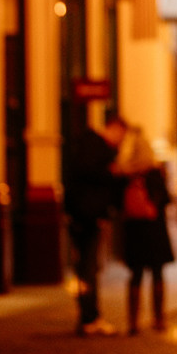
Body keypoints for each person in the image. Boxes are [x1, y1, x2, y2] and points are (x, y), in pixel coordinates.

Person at [64, 112, 127, 336]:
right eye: (121, 135)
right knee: (87, 268)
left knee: (86, 268)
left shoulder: (90, 146)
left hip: (84, 216)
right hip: (87, 218)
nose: (120, 141)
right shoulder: (95, 148)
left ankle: (89, 315)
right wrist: (112, 173)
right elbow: (93, 180)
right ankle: (89, 316)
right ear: (114, 128)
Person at [117, 127, 176, 335]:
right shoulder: (155, 172)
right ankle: (159, 319)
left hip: (134, 231)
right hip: (155, 230)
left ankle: (133, 322)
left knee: (136, 274)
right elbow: (167, 200)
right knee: (158, 273)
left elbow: (118, 204)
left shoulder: (126, 173)